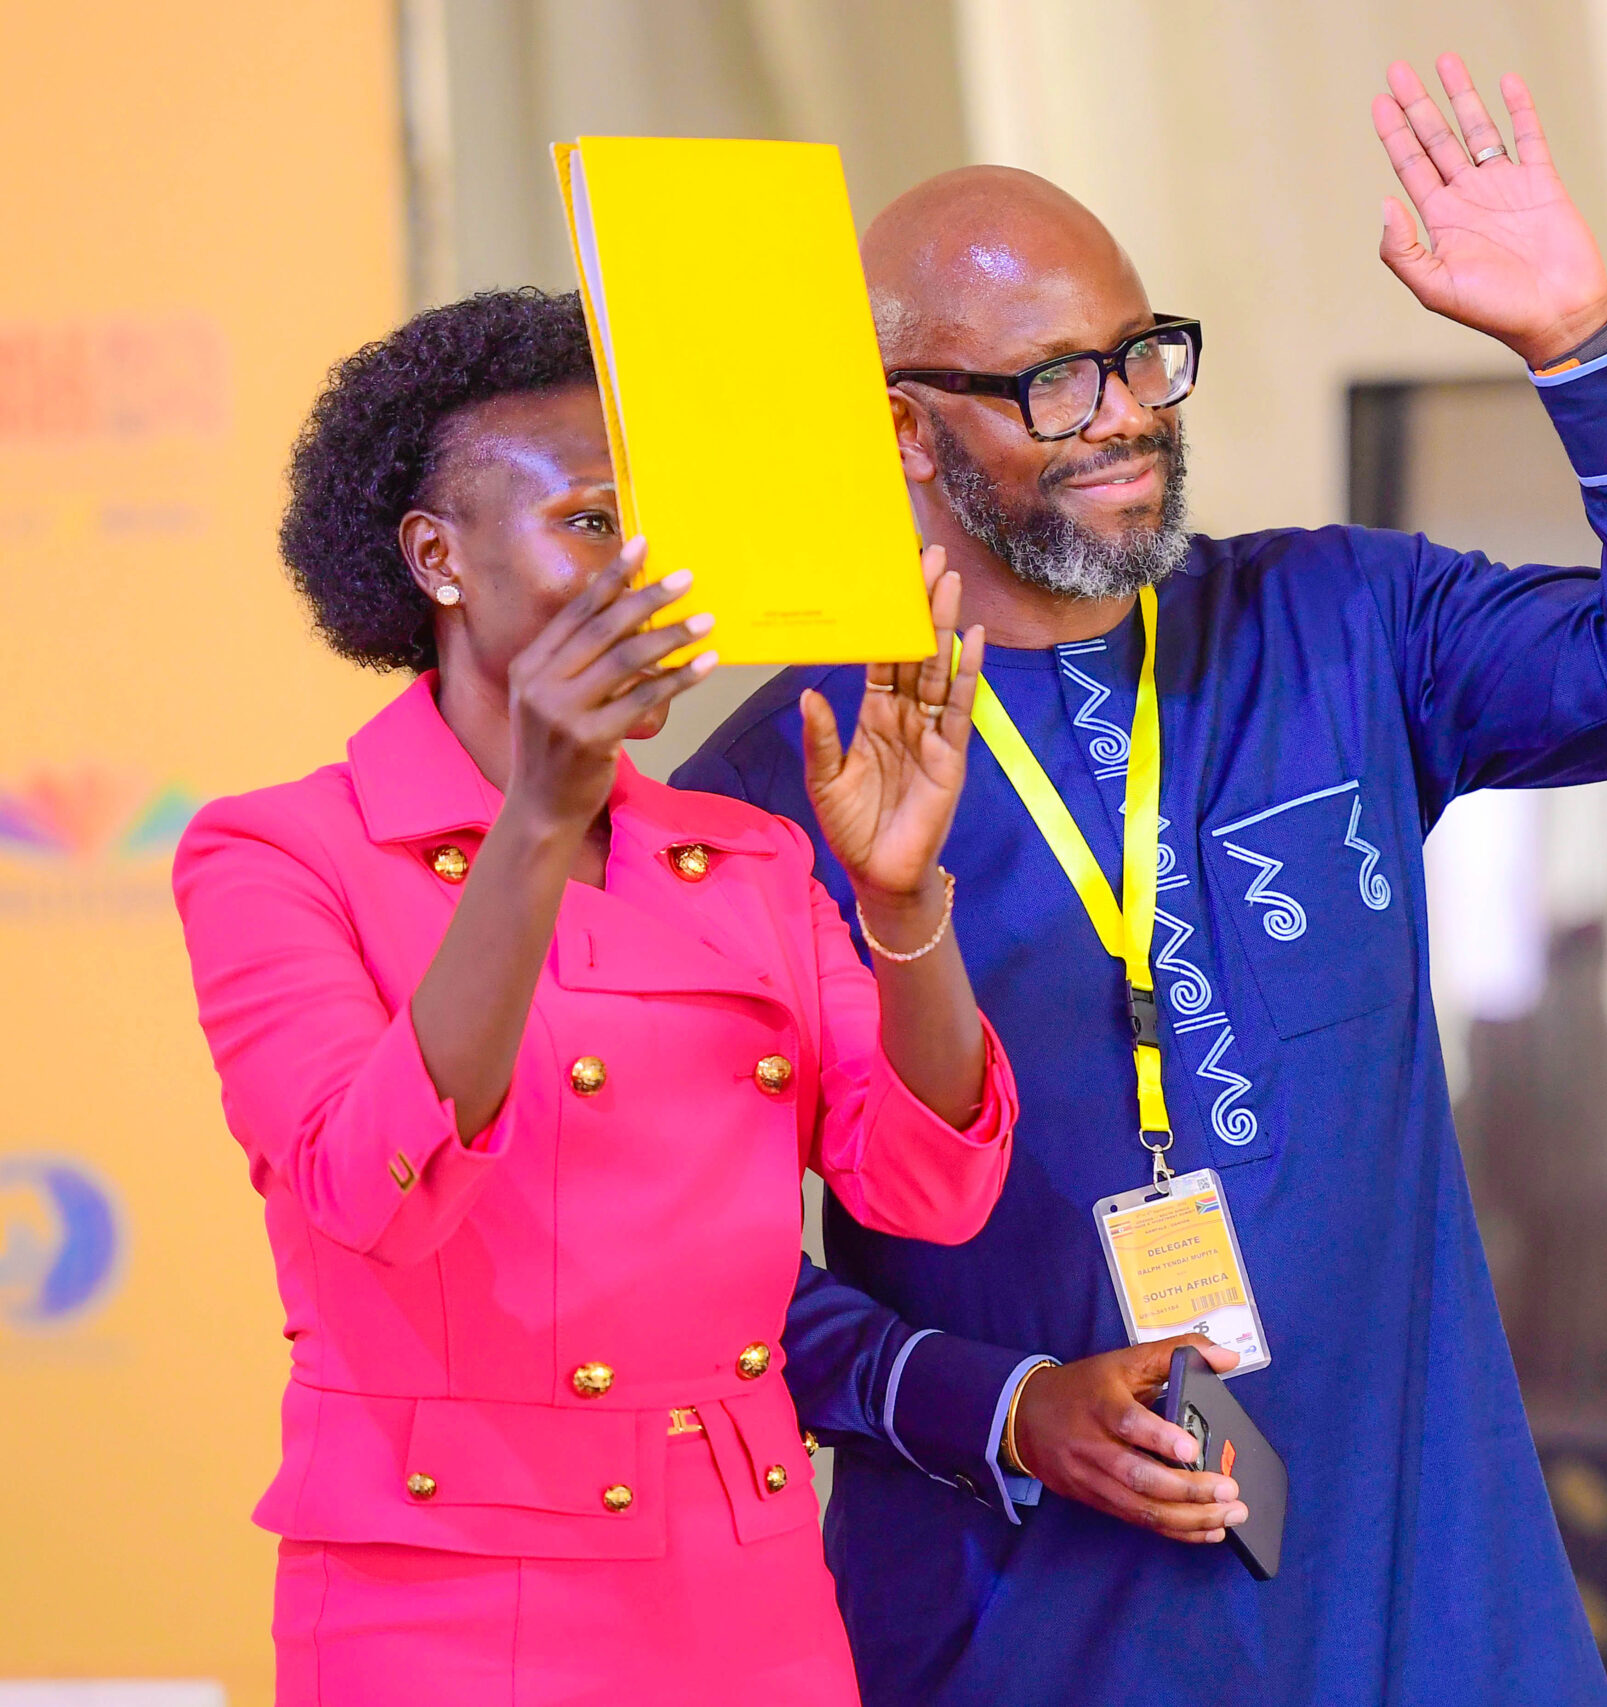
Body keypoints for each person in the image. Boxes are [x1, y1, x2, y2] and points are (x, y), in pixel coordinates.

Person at [677, 54, 1607, 1706]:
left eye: (1143, 355)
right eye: (1055, 382)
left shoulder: (1349, 627)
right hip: (1027, 1619)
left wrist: (1584, 341)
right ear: (902, 427)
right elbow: (688, 1264)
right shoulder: (787, 783)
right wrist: (1002, 1406)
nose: (1127, 412)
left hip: (1415, 1590)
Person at [174, 288, 1019, 1704]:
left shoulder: (746, 854)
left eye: (660, 534)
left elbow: (929, 1189)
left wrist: (899, 904)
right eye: (589, 521)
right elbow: (369, 1191)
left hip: (748, 1586)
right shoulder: (282, 854)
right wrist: (535, 820)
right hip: (442, 1595)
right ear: (439, 558)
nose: (644, 572)